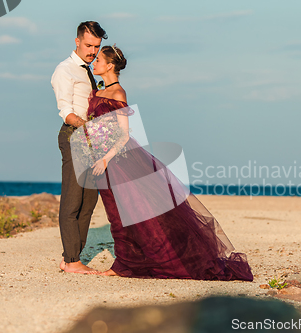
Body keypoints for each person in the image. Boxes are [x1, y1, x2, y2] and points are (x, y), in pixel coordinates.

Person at [72, 45, 253, 281]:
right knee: (115, 216)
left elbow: (124, 134)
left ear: (109, 66)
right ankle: (125, 263)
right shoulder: (97, 91)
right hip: (101, 162)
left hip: (118, 161)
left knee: (130, 213)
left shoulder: (118, 93)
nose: (94, 63)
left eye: (98, 60)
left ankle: (126, 265)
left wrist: (106, 159)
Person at [51, 21, 107, 274]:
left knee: (89, 202)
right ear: (77, 41)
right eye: (88, 45)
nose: (92, 51)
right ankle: (71, 260)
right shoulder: (65, 70)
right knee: (73, 201)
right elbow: (67, 113)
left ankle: (72, 258)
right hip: (74, 137)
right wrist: (88, 126)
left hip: (91, 141)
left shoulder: (89, 72)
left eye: (96, 46)